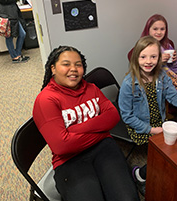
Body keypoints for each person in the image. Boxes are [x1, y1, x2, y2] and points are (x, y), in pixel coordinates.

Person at [33, 46, 140, 201]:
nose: (73, 69)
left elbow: (113, 116)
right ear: (53, 68)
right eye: (66, 64)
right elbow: (61, 146)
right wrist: (100, 130)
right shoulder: (46, 99)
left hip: (104, 148)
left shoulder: (91, 88)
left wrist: (72, 130)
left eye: (78, 64)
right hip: (69, 160)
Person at [119, 36, 177, 196]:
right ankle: (140, 175)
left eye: (153, 56)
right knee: (163, 155)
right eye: (143, 57)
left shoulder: (162, 76)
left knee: (176, 148)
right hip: (141, 126)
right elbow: (127, 116)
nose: (148, 61)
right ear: (136, 58)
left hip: (160, 121)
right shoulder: (129, 84)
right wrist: (152, 130)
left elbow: (174, 97)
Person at [128, 14, 177, 97]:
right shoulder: (143, 47)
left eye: (162, 29)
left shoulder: (167, 46)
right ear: (148, 30)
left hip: (171, 80)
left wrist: (175, 61)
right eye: (155, 29)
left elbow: (176, 71)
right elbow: (141, 74)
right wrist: (158, 61)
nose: (159, 32)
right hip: (154, 85)